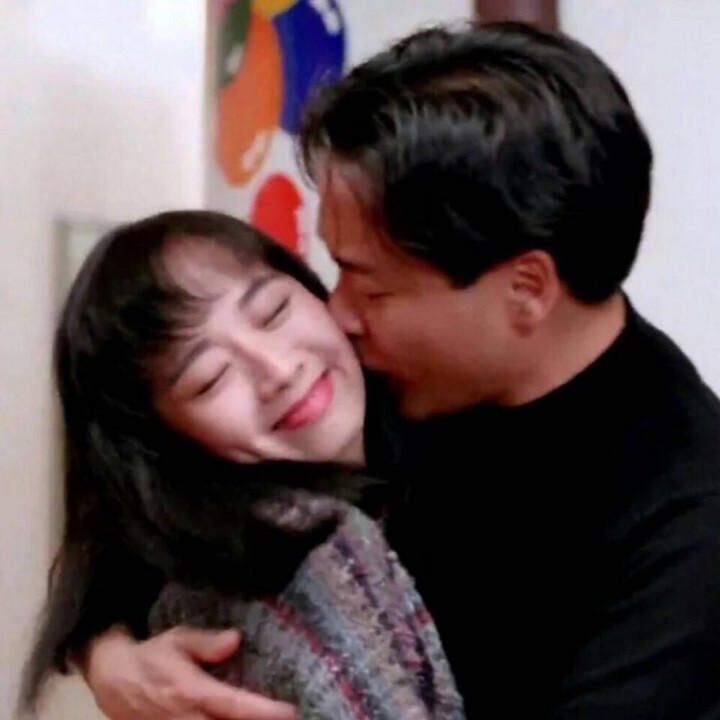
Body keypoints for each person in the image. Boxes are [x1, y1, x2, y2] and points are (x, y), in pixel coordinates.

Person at [74, 21, 720, 719]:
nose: (338, 315)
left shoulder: (685, 525)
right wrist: (111, 658)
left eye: (372, 286)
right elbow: (144, 509)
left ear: (527, 289)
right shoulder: (374, 373)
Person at [20, 210, 464, 720]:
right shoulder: (284, 564)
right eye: (210, 378)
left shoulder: (450, 408)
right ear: (165, 443)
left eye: (273, 311)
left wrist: (104, 654)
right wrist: (108, 655)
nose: (278, 370)